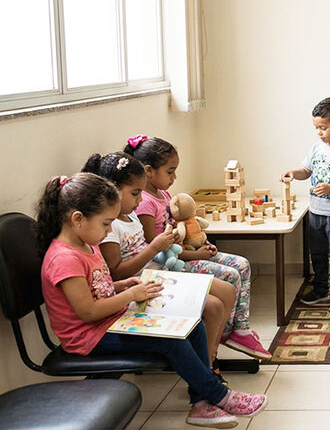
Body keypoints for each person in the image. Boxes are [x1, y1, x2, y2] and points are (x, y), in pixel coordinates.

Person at [35, 173, 266, 428]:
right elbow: (87, 311)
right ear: (77, 219)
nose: (109, 230)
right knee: (172, 341)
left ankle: (201, 403)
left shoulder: (87, 244)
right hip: (87, 336)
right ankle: (219, 395)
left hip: (110, 320)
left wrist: (121, 285)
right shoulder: (64, 259)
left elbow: (94, 288)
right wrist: (130, 295)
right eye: (105, 223)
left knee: (192, 325)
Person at [84, 152, 237, 374]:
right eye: (135, 193)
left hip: (160, 273)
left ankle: (209, 356)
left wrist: (168, 242)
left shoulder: (131, 215)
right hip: (144, 283)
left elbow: (150, 249)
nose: (139, 200)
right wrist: (155, 247)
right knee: (213, 306)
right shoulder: (109, 228)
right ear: (112, 192)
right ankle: (207, 367)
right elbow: (116, 273)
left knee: (227, 289)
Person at [126, 135, 271, 359]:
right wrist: (194, 254)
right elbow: (159, 249)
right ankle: (222, 332)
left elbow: (179, 228)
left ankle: (239, 329)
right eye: (170, 171)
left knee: (242, 264)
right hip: (171, 261)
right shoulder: (144, 203)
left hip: (186, 251)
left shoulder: (163, 194)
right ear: (148, 170)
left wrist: (203, 244)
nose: (175, 177)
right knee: (230, 275)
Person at [280, 97, 330, 312]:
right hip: (315, 211)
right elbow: (306, 171)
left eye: (323, 128)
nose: (319, 132)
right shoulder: (316, 148)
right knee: (317, 253)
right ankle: (320, 289)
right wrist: (293, 173)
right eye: (316, 127)